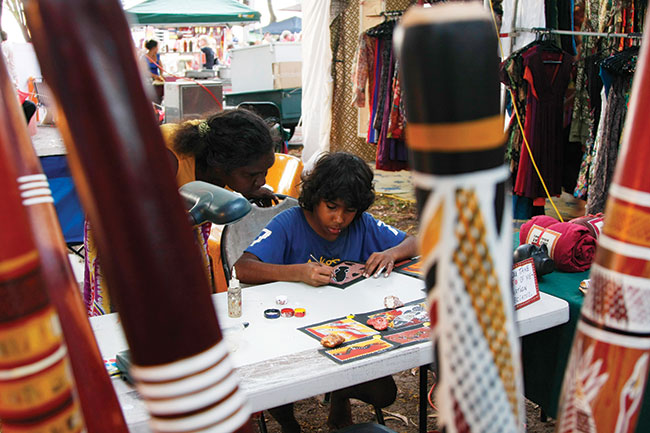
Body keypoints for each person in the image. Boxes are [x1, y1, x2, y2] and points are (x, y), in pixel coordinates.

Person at [235, 152, 417, 431]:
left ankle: (340, 394)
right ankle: (289, 423)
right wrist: (296, 271)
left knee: (385, 394)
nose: (339, 219)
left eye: (349, 210)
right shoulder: (289, 223)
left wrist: (391, 252)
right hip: (289, 332)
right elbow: (243, 268)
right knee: (274, 385)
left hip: (345, 333)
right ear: (315, 197)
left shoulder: (362, 225)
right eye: (331, 206)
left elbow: (416, 242)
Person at [83, 108, 277, 316]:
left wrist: (250, 189)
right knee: (132, 312)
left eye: (265, 172)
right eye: (252, 175)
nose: (262, 180)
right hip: (124, 228)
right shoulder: (165, 157)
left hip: (178, 224)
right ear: (220, 166)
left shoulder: (219, 156)